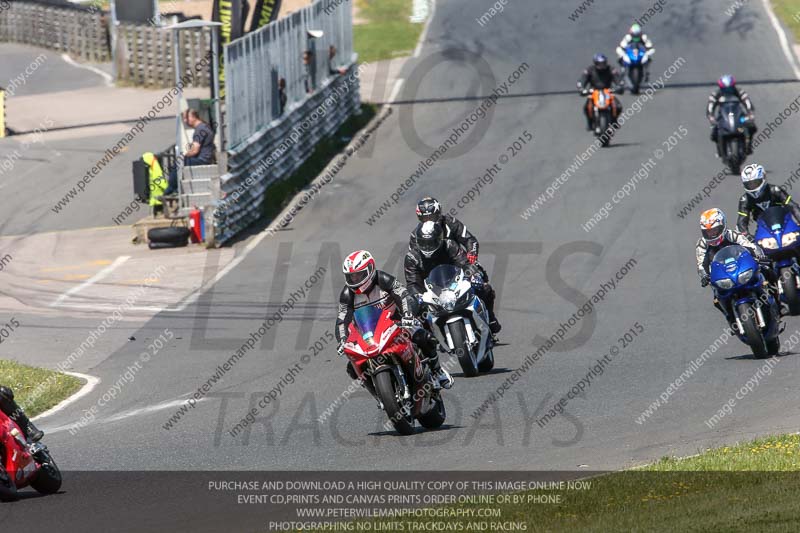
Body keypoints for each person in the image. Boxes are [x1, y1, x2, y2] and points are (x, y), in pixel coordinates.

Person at [336, 250, 453, 399]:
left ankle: (437, 371)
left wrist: (407, 315)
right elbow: (342, 319)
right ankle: (379, 396)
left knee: (425, 338)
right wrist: (342, 340)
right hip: (369, 333)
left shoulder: (383, 279)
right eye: (351, 276)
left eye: (358, 275)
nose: (355, 279)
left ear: (370, 270)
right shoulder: (348, 294)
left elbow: (402, 295)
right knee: (352, 367)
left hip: (396, 321)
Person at [406, 221, 502, 334]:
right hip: (431, 291)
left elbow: (464, 263)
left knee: (485, 288)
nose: (428, 247)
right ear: (417, 242)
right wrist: (418, 297)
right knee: (415, 310)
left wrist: (473, 276)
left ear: (439, 239)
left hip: (454, 283)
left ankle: (490, 319)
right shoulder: (412, 258)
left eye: (431, 242)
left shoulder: (449, 245)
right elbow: (413, 283)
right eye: (424, 243)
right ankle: (430, 340)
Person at [696, 208, 775, 327]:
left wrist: (759, 256)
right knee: (716, 299)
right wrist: (704, 276)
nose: (711, 234)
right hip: (721, 275)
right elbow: (701, 264)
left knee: (765, 269)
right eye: (708, 232)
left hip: (741, 268)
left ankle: (774, 295)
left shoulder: (732, 234)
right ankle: (731, 318)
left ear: (723, 226)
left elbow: (750, 246)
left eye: (714, 230)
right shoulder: (702, 244)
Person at [163, 109, 217, 197]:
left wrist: (185, 155)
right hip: (207, 158)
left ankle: (171, 189)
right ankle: (176, 188)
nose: (185, 121)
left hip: (202, 159)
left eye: (186, 118)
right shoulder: (205, 126)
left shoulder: (200, 129)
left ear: (192, 117)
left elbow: (195, 150)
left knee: (178, 163)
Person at [736, 163, 800, 234]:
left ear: (763, 179)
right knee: (755, 244)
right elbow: (742, 222)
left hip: (785, 225)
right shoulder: (745, 200)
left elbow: (793, 207)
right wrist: (747, 236)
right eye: (749, 184)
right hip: (764, 230)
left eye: (755, 183)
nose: (752, 187)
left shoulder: (776, 190)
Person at [706, 75, 757, 156]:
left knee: (752, 127)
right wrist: (711, 116)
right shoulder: (715, 94)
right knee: (714, 132)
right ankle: (719, 148)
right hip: (723, 118)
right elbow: (710, 106)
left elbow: (747, 102)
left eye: (730, 88)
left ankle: (748, 145)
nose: (728, 91)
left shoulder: (739, 92)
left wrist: (750, 113)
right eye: (725, 89)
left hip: (739, 117)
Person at [577, 53, 624, 131]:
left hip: (608, 91)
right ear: (595, 63)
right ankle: (590, 122)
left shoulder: (611, 69)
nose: (602, 66)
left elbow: (618, 80)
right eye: (599, 64)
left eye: (603, 63)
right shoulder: (589, 70)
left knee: (618, 106)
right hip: (594, 91)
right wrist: (582, 89)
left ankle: (614, 120)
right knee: (586, 107)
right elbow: (582, 80)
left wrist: (619, 87)